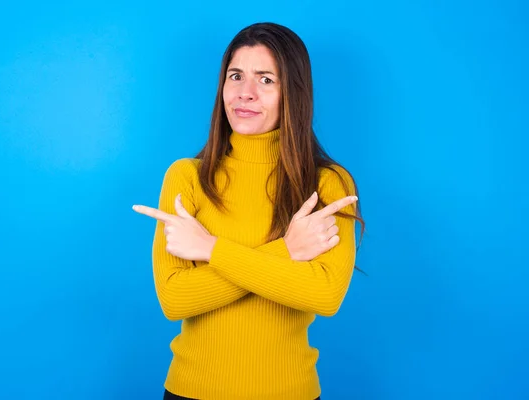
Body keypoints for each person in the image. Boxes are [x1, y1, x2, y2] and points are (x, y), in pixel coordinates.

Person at [133, 22, 365, 400]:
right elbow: (175, 300)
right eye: (235, 76)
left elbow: (324, 295)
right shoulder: (187, 177)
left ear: (293, 92)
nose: (245, 93)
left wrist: (211, 250)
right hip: (191, 390)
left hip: (289, 392)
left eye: (266, 80)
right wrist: (285, 251)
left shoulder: (327, 184)